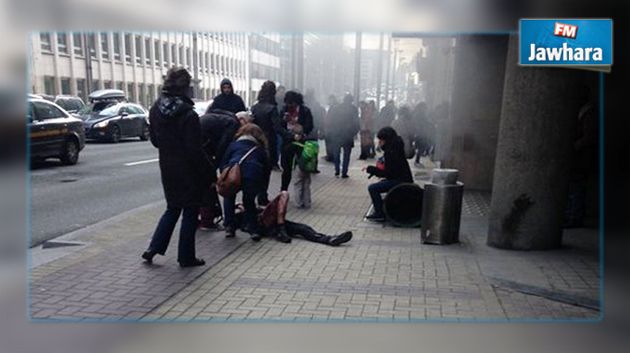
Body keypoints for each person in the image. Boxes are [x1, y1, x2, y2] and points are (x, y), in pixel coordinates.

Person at [141, 67, 211, 267]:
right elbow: (195, 150)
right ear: (185, 88)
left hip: (167, 167)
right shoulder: (188, 115)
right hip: (188, 170)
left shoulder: (155, 109)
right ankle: (186, 256)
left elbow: (155, 140)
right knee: (190, 211)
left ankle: (153, 248)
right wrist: (208, 172)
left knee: (172, 208)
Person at [235, 191, 353, 245]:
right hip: (265, 225)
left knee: (302, 228)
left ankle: (329, 239)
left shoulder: (252, 210)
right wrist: (241, 208)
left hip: (273, 222)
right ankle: (328, 239)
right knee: (284, 195)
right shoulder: (242, 216)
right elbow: (244, 223)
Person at [197, 109, 249, 230]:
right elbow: (223, 145)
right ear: (241, 120)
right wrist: (216, 164)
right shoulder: (233, 124)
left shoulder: (225, 116)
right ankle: (207, 221)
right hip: (202, 142)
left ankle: (199, 219)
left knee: (198, 183)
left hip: (198, 138)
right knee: (208, 184)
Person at [220, 124, 270, 239]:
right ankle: (253, 230)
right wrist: (263, 188)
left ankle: (229, 227)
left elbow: (223, 162)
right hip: (252, 175)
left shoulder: (233, 145)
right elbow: (266, 169)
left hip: (233, 174)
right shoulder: (259, 149)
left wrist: (224, 175)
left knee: (229, 198)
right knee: (249, 201)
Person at [364, 126, 414, 222]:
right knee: (381, 184)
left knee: (373, 188)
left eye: (381, 140)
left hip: (400, 181)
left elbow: (388, 174)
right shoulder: (395, 148)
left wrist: (372, 169)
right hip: (403, 179)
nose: (379, 143)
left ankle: (379, 213)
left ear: (386, 140)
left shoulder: (391, 152)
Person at [564, 85, 598, 228]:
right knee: (574, 188)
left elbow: (589, 137)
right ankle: (572, 216)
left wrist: (574, 146)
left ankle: (574, 218)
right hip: (580, 158)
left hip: (582, 158)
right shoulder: (584, 112)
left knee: (576, 188)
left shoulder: (588, 113)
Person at [275, 91, 314, 191]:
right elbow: (278, 127)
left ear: (297, 102)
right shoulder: (284, 111)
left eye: (291, 103)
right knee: (286, 169)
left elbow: (310, 126)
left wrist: (301, 131)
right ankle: (283, 190)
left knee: (302, 169)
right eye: (287, 103)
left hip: (301, 142)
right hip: (288, 142)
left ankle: (302, 191)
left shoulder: (305, 111)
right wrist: (288, 132)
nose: (289, 106)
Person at [251, 81, 280, 205]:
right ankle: (262, 196)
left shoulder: (255, 107)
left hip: (255, 140)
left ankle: (255, 194)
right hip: (268, 142)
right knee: (266, 170)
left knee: (256, 169)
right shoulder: (272, 109)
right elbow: (277, 127)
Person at [327, 94, 360, 178]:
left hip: (336, 134)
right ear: (351, 100)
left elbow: (331, 121)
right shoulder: (353, 109)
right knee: (347, 155)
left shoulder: (336, 108)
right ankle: (344, 172)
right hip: (348, 135)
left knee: (336, 153)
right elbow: (356, 122)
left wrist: (332, 131)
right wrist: (354, 133)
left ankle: (337, 170)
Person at [323, 94, 339, 162]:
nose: (329, 101)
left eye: (330, 100)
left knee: (330, 142)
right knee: (330, 142)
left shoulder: (334, 108)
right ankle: (330, 155)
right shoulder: (333, 107)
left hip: (332, 128)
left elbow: (331, 118)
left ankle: (331, 156)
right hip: (331, 128)